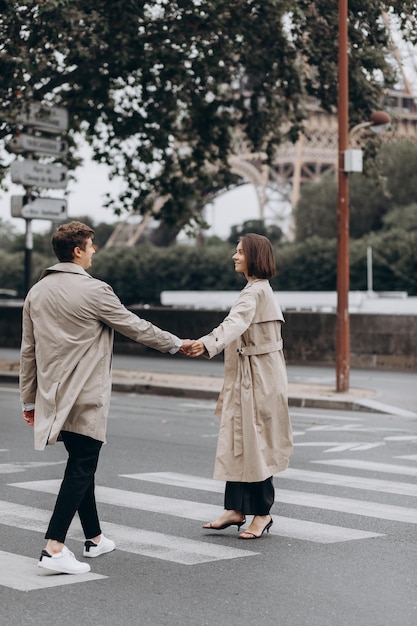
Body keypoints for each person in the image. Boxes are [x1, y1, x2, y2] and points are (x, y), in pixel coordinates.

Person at [20, 221, 193, 574]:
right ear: (77, 250)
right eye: (91, 245)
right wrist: (177, 344)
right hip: (85, 394)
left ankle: (95, 539)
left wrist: (28, 400)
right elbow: (135, 326)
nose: (94, 250)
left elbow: (28, 351)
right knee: (82, 465)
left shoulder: (36, 292)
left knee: (83, 463)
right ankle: (53, 546)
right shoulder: (95, 290)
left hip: (53, 397)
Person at [183, 233, 293, 539]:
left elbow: (233, 325)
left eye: (240, 252)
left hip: (256, 379)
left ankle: (262, 513)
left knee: (254, 445)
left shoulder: (253, 293)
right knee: (241, 443)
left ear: (254, 257)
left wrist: (204, 344)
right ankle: (235, 508)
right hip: (258, 376)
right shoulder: (259, 290)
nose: (234, 256)